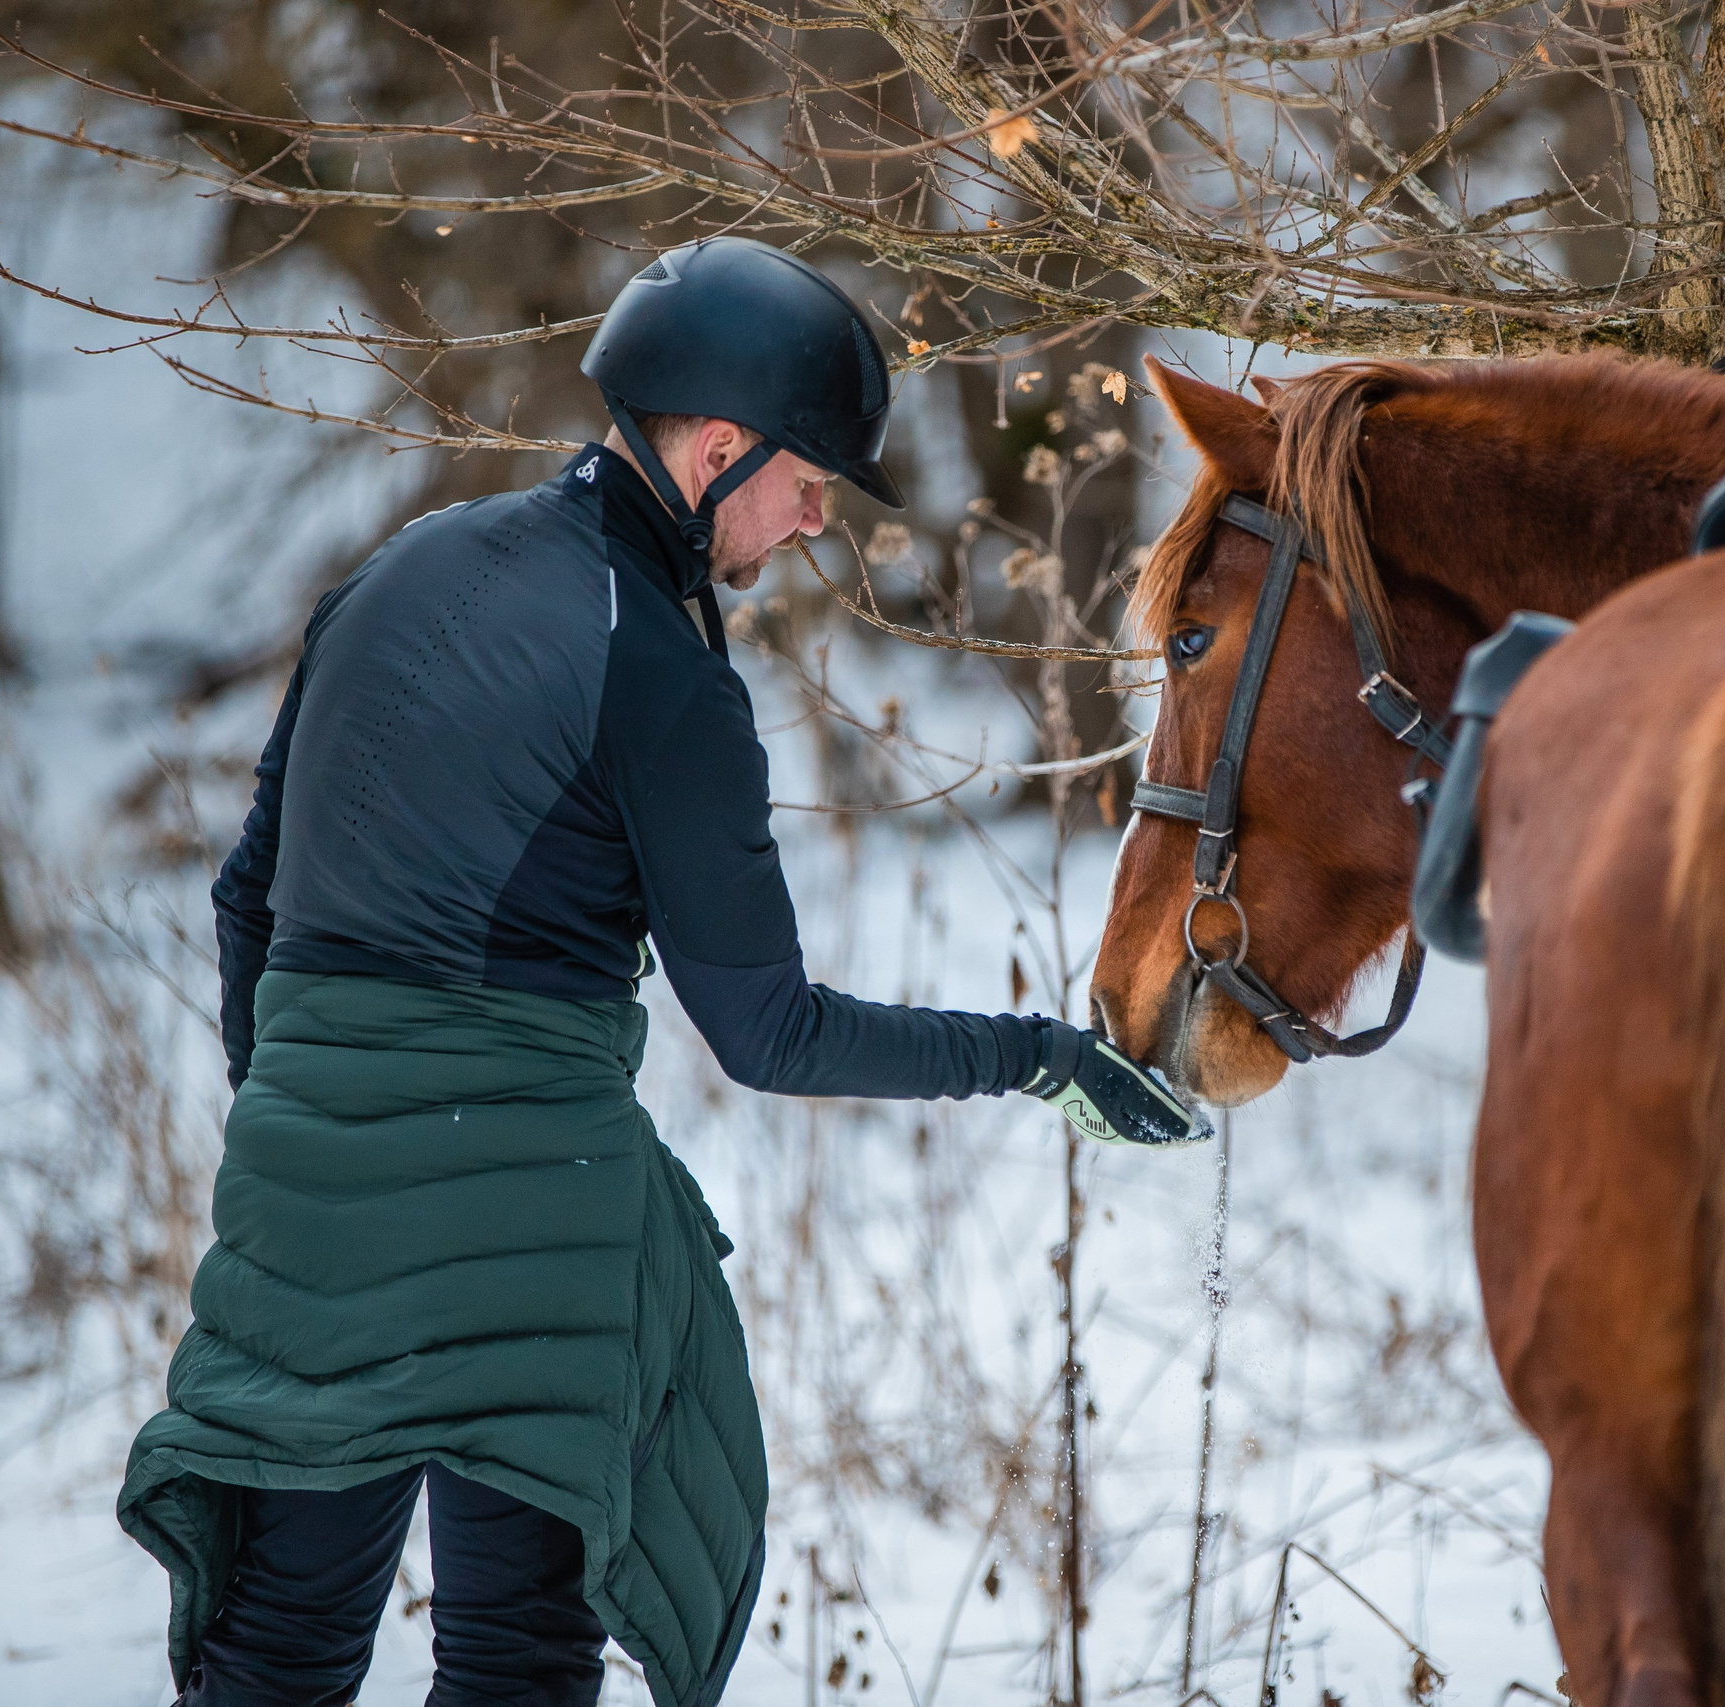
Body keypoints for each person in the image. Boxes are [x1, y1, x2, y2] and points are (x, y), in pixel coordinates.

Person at [117, 237, 1202, 1707]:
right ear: (715, 448)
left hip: (302, 1202)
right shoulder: (666, 672)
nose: (817, 519)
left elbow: (248, 895)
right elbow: (769, 1032)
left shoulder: (400, 566)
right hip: (532, 1222)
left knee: (277, 1651)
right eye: (808, 480)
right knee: (516, 1663)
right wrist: (1043, 1056)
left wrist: (316, 1123)